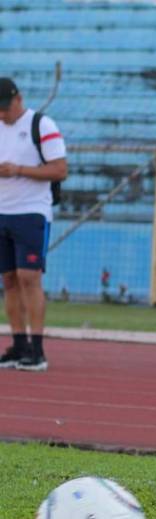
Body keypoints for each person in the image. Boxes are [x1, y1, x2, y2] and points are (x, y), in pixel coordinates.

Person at [0, 77, 67, 372]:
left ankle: (37, 349)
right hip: (1, 212)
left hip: (31, 212)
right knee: (9, 280)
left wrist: (18, 170)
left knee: (30, 277)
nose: (3, 114)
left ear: (18, 99)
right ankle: (18, 344)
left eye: (5, 108)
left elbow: (59, 169)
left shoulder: (42, 125)